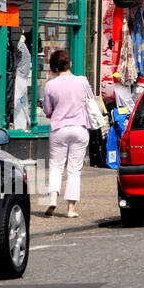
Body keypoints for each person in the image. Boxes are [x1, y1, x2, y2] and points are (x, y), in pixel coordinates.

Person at [41, 50, 92, 218]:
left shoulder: (50, 85)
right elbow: (90, 101)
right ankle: (70, 209)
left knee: (56, 166)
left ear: (54, 67)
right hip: (79, 127)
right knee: (74, 169)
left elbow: (48, 111)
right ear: (69, 63)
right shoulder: (82, 81)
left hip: (59, 129)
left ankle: (53, 199)